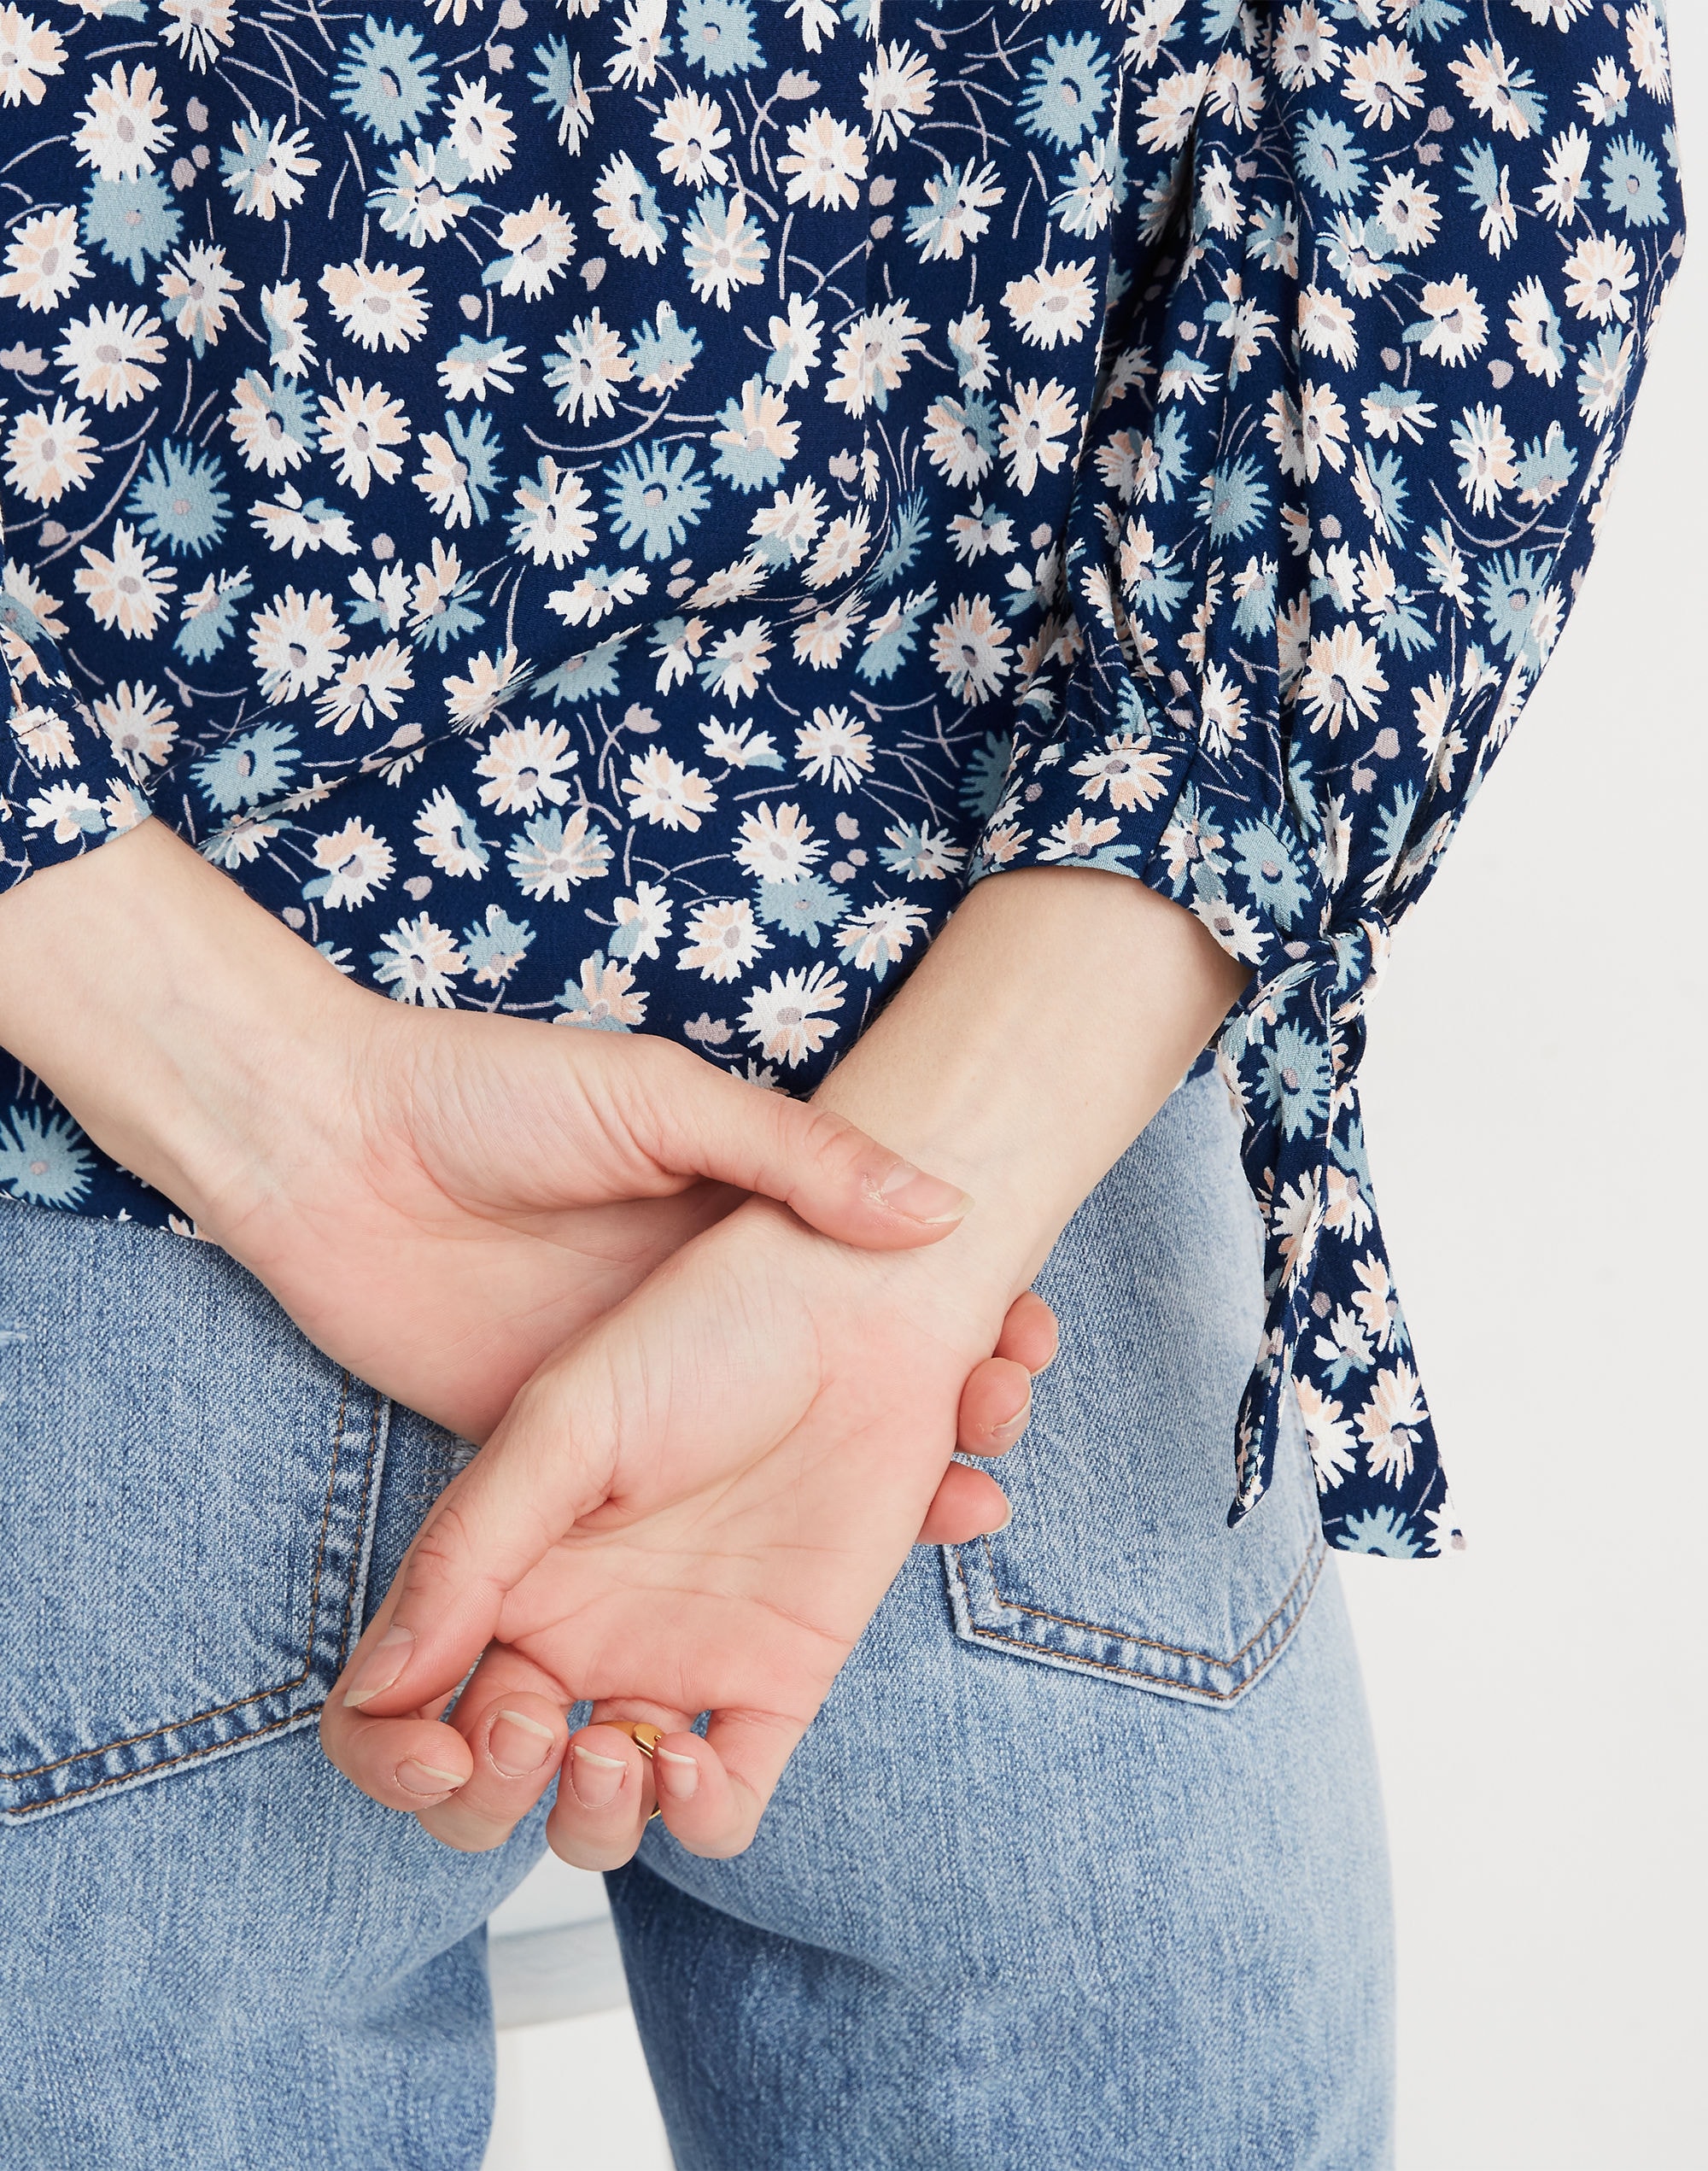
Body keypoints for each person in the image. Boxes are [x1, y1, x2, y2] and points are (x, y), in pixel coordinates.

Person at [0, 0, 1682, 2162]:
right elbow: (1487, 133)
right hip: (994, 1209)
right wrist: (921, 1209)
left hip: (96, 1169)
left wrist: (269, 1092)